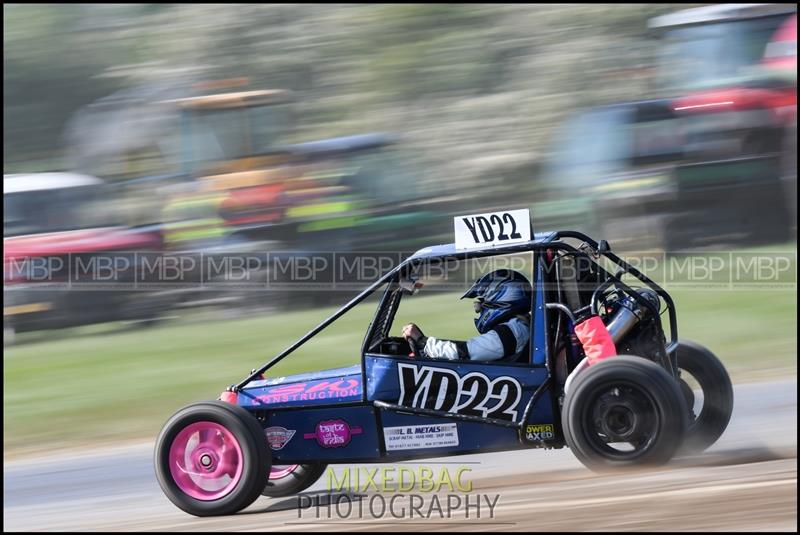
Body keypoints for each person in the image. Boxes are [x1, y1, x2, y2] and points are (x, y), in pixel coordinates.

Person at [402, 269, 532, 362]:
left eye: (481, 304)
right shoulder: (520, 326)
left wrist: (421, 341)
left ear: (500, 298)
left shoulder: (510, 332)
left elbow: (463, 352)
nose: (478, 310)